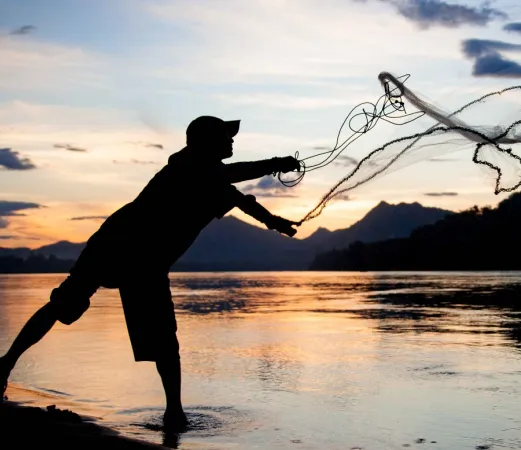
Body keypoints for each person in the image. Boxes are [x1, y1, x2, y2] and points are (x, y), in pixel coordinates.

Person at [0, 116, 301, 431]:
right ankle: (174, 415)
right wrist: (276, 167)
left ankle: (174, 414)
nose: (232, 142)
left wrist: (276, 220)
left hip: (131, 250)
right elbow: (235, 177)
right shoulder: (192, 169)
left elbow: (241, 200)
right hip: (127, 247)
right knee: (73, 308)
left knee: (153, 336)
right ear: (208, 142)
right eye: (227, 137)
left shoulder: (211, 179)